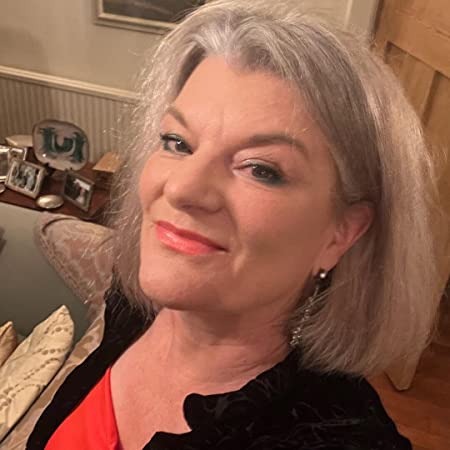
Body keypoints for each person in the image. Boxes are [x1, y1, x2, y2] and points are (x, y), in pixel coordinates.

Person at [27, 0, 442, 449]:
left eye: (260, 168)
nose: (182, 188)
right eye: (177, 142)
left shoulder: (340, 438)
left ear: (342, 232)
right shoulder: (136, 306)